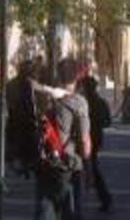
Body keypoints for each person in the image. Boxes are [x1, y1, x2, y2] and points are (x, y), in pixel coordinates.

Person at [35, 57, 91, 220]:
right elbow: (84, 139)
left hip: (45, 160)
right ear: (77, 78)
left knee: (46, 207)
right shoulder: (78, 102)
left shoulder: (45, 98)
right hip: (69, 163)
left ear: (58, 76)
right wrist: (88, 167)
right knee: (71, 210)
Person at [80, 75, 113, 212]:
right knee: (92, 168)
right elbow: (108, 122)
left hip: (86, 138)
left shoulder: (83, 102)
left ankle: (105, 198)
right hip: (97, 138)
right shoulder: (101, 102)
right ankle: (105, 198)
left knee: (89, 169)